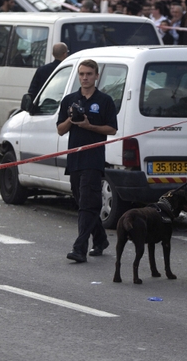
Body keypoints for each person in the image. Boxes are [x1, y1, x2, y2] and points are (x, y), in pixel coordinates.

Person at [57, 59, 117, 263]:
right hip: (75, 158)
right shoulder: (69, 100)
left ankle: (79, 248)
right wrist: (71, 119)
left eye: (89, 74)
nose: (85, 78)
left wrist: (89, 126)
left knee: (88, 204)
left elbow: (112, 129)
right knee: (82, 201)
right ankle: (100, 239)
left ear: (96, 76)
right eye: (82, 74)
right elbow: (60, 129)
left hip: (93, 158)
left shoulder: (105, 100)